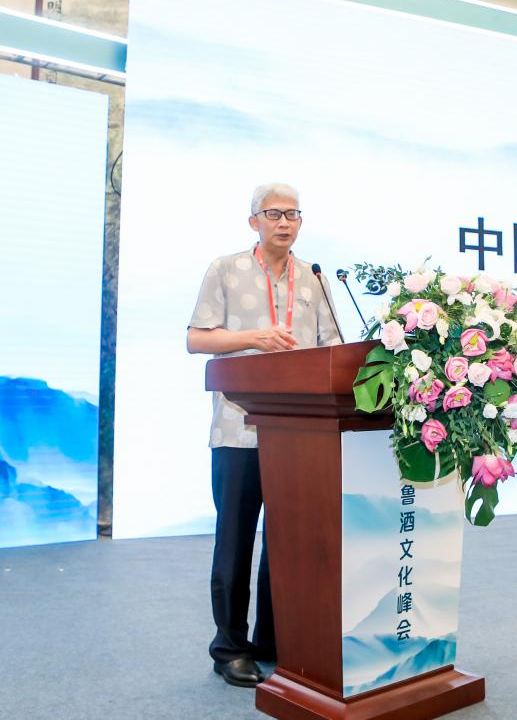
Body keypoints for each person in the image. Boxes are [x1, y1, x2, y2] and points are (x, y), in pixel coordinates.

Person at [186, 182, 343, 688]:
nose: (284, 223)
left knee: (288, 543)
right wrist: (254, 338)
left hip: (300, 436)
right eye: (273, 214)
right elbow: (196, 339)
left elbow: (332, 347)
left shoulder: (314, 278)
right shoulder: (226, 269)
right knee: (235, 539)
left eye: (292, 214)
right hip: (238, 430)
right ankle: (229, 648)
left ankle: (275, 641)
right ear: (253, 221)